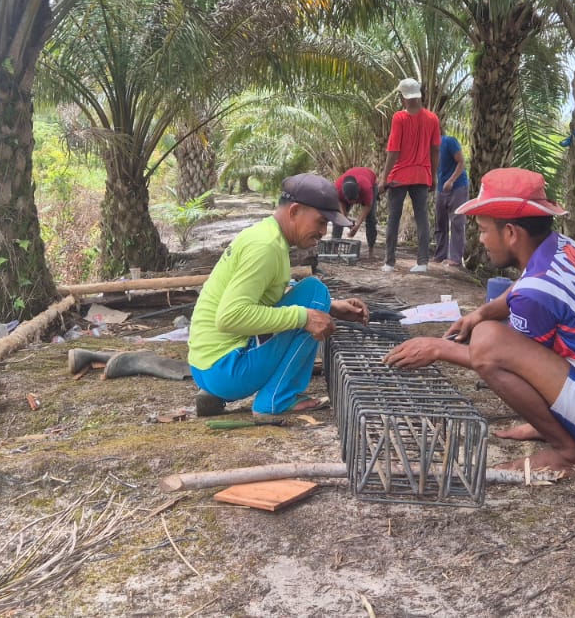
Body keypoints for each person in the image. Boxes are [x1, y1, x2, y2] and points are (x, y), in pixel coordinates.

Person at [383, 168, 575, 473]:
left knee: (489, 342)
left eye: (485, 230)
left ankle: (569, 452)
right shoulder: (561, 247)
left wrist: (437, 348)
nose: (483, 240)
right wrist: (481, 312)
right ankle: (568, 427)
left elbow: (503, 358)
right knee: (491, 332)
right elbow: (521, 288)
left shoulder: (535, 293)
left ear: (511, 233)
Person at [188, 173, 371, 416]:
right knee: (314, 294)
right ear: (295, 211)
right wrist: (304, 316)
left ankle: (228, 391)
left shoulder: (266, 236)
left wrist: (331, 306)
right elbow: (229, 317)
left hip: (205, 366)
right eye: (320, 221)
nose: (323, 232)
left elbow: (263, 297)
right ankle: (276, 399)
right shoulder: (265, 248)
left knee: (315, 296)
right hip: (226, 369)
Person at [377, 77, 439, 274]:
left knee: (393, 217)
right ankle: (422, 262)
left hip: (399, 176)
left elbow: (393, 151)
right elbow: (435, 149)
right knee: (422, 218)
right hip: (422, 175)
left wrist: (384, 178)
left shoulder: (399, 118)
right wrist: (434, 176)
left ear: (403, 97)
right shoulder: (432, 119)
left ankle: (389, 262)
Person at [431, 133, 469, 268]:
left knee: (457, 222)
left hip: (458, 186)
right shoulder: (429, 147)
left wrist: (451, 180)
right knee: (440, 222)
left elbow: (461, 161)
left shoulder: (448, 141)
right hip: (441, 188)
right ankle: (440, 255)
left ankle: (455, 258)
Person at [333, 166, 378, 258]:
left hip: (370, 180)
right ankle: (334, 249)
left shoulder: (366, 187)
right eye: (350, 201)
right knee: (338, 218)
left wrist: (357, 225)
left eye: (355, 199)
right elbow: (339, 202)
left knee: (371, 219)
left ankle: (371, 251)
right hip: (345, 192)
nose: (353, 203)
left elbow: (368, 206)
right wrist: (344, 218)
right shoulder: (337, 188)